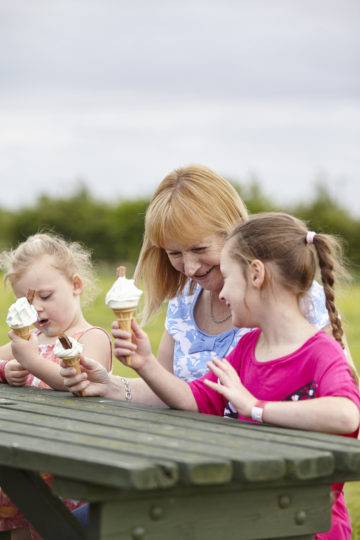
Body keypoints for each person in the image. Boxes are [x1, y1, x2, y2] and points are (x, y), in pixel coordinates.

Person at [100, 212, 360, 539]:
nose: (221, 294)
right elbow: (196, 398)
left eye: (227, 277)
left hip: (307, 525)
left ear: (255, 274)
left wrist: (255, 407)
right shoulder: (248, 347)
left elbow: (346, 415)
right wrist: (146, 363)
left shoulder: (321, 353)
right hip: (249, 518)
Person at [61, 164, 357, 403]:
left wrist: (259, 411)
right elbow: (169, 389)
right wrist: (108, 384)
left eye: (200, 249)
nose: (189, 268)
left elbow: (344, 398)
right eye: (174, 253)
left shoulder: (297, 298)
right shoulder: (184, 301)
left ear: (233, 233)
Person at [0, 232, 113, 540]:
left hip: (68, 467)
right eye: (26, 302)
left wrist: (31, 360)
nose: (36, 310)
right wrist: (6, 370)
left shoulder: (92, 338)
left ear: (76, 285)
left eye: (46, 297)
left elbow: (76, 382)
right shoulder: (31, 341)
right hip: (25, 461)